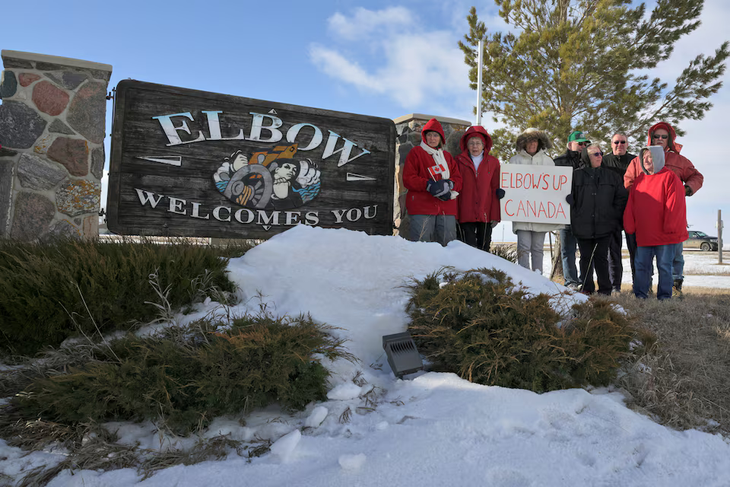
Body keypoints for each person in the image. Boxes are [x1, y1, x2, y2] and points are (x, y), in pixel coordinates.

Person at [624, 122, 703, 295]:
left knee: (672, 257)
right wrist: (646, 198)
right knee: (644, 260)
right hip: (647, 221)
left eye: (663, 136)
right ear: (651, 138)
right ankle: (646, 290)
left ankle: (675, 287)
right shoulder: (639, 160)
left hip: (672, 217)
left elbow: (697, 176)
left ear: (670, 139)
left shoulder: (679, 160)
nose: (659, 139)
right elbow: (629, 181)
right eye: (656, 136)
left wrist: (686, 189)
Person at [624, 147, 688, 300]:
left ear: (658, 158)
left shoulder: (670, 177)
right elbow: (631, 203)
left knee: (665, 266)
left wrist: (670, 226)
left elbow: (674, 204)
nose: (646, 160)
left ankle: (665, 296)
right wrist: (629, 223)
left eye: (650, 157)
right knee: (641, 266)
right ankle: (640, 294)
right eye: (644, 157)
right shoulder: (639, 179)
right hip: (644, 233)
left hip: (665, 234)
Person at [569, 145, 627, 295]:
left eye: (601, 153)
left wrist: (613, 216)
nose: (600, 156)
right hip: (583, 225)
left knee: (602, 258)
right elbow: (569, 199)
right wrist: (575, 215)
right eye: (595, 154)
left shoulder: (611, 176)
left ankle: (605, 290)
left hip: (605, 225)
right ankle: (586, 288)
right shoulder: (575, 176)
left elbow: (621, 198)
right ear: (586, 157)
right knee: (585, 258)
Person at [505, 128, 561, 273]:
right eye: (529, 141)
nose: (532, 144)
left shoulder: (548, 162)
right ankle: (524, 280)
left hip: (540, 214)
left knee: (537, 248)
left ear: (540, 142)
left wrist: (562, 196)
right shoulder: (514, 161)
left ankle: (538, 278)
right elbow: (509, 185)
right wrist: (503, 193)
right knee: (523, 247)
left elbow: (554, 187)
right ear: (523, 143)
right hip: (521, 212)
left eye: (535, 140)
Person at [403, 118, 462, 246]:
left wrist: (449, 185)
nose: (432, 138)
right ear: (424, 136)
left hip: (446, 207)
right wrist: (428, 185)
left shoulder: (446, 157)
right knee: (421, 245)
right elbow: (408, 178)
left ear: (441, 138)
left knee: (449, 246)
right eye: (429, 135)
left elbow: (458, 179)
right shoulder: (416, 153)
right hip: (422, 207)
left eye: (435, 135)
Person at [553, 130, 590, 289]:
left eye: (584, 144)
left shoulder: (590, 162)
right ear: (570, 145)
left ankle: (585, 281)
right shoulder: (557, 162)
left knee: (586, 252)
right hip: (564, 214)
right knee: (568, 251)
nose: (582, 146)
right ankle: (571, 282)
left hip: (583, 214)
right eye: (579, 143)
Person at [455, 126, 501, 252]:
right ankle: (468, 272)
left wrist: (495, 214)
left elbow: (495, 187)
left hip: (485, 211)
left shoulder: (493, 162)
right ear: (467, 145)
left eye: (478, 143)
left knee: (484, 248)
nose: (475, 146)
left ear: (483, 145)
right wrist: (455, 213)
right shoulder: (459, 161)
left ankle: (482, 272)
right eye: (471, 143)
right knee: (467, 248)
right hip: (465, 210)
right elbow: (456, 188)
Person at [602, 132, 637, 293]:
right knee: (613, 252)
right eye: (616, 142)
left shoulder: (635, 161)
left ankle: (640, 285)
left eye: (623, 142)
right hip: (611, 212)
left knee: (636, 250)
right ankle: (615, 286)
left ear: (627, 144)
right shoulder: (604, 161)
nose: (619, 145)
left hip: (633, 210)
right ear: (611, 144)